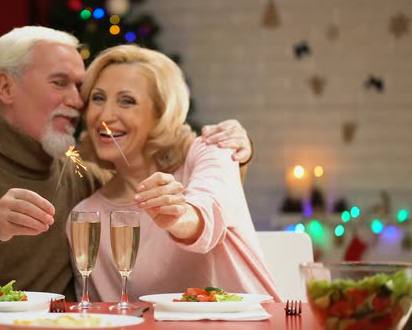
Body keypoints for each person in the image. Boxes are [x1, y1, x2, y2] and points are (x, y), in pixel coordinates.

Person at [0, 26, 254, 302]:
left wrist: (235, 153)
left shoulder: (83, 177)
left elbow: (195, 194)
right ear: (6, 88)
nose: (78, 103)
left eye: (80, 88)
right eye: (60, 83)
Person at [68, 44, 280, 303]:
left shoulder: (210, 151)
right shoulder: (86, 217)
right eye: (98, 98)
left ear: (161, 114)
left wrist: (178, 215)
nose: (105, 115)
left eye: (127, 101)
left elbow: (206, 214)